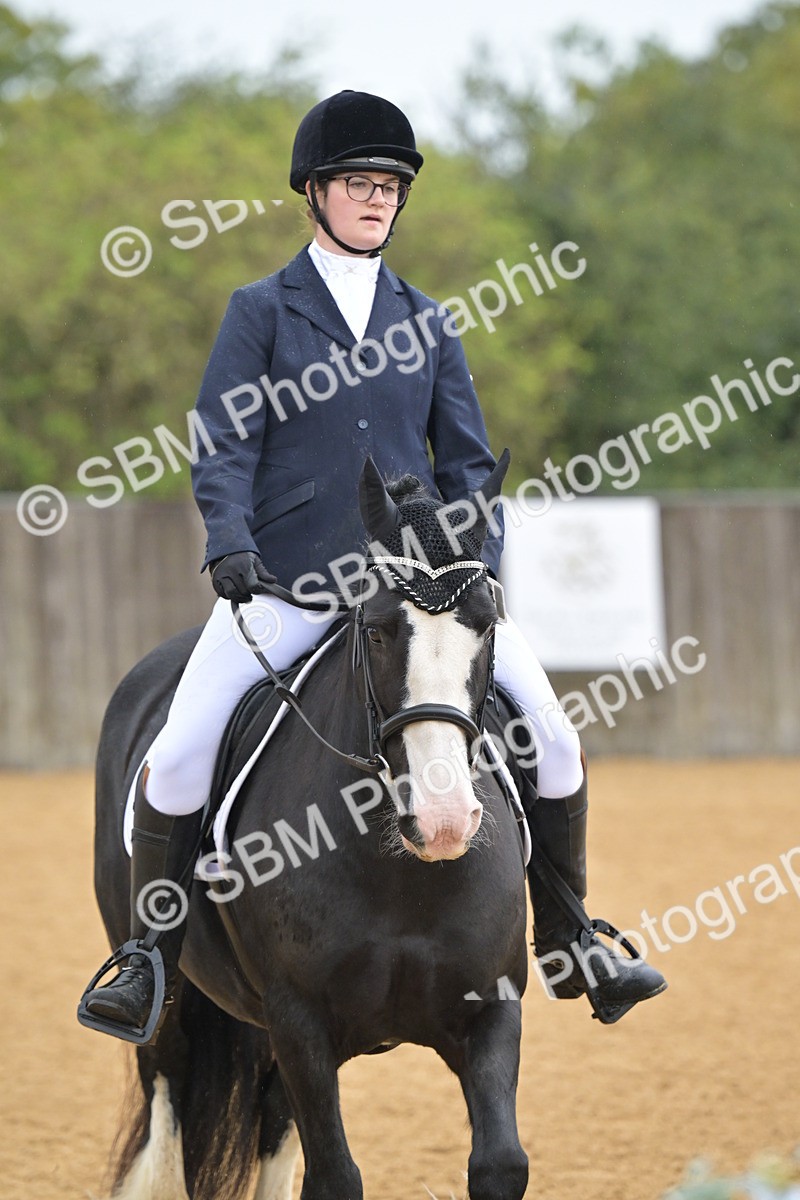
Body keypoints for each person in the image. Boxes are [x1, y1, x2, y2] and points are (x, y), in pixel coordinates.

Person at [83, 89, 665, 1037]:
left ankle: (572, 933)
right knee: (179, 756)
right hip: (290, 586)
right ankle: (146, 959)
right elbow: (223, 444)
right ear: (313, 192)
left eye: (390, 185)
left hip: (424, 593)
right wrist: (230, 544)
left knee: (556, 742)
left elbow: (471, 465)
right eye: (359, 182)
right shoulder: (262, 311)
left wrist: (473, 565)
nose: (377, 198)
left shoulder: (428, 321)